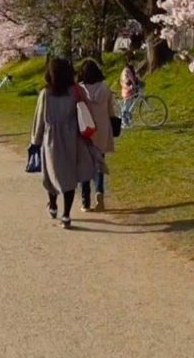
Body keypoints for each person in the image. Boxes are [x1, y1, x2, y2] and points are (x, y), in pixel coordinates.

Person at [30, 58, 96, 229]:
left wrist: (35, 141)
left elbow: (39, 119)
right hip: (71, 137)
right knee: (69, 175)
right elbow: (84, 111)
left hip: (51, 138)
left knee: (51, 174)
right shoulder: (74, 91)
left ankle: (53, 205)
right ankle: (66, 214)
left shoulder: (46, 93)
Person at [78, 59, 116, 212]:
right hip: (102, 129)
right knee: (99, 162)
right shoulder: (105, 87)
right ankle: (99, 192)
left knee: (84, 165)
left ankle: (85, 201)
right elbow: (111, 110)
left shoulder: (79, 89)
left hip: (86, 129)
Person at [119, 56, 139, 127]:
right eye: (132, 61)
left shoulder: (131, 69)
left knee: (129, 106)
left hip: (131, 90)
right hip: (127, 90)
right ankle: (123, 121)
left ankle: (127, 120)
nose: (133, 62)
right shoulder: (126, 70)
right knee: (126, 106)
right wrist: (130, 86)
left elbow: (134, 78)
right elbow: (125, 80)